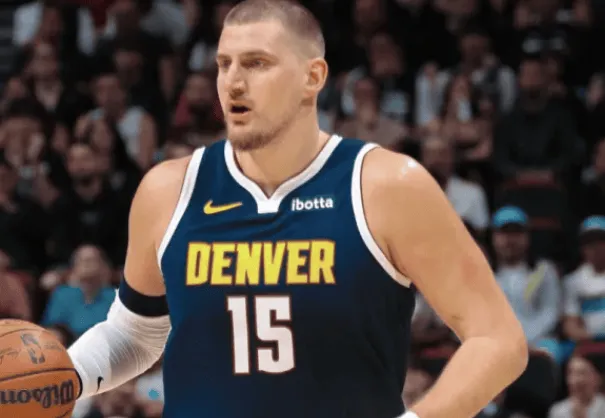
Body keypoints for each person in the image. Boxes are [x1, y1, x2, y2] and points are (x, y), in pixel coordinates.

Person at [66, 1, 528, 417]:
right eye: (224, 64)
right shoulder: (168, 190)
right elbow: (135, 335)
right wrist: (62, 379)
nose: (233, 82)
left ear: (313, 77)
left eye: (256, 63)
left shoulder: (385, 186)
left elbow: (498, 339)